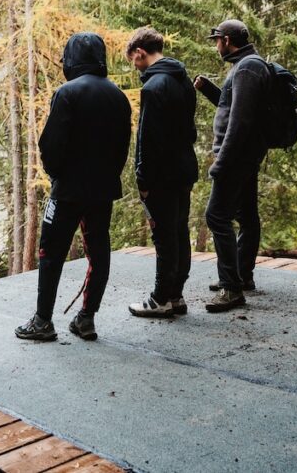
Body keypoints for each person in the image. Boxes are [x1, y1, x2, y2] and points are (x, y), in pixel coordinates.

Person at [15, 33, 132, 342]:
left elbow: (51, 145)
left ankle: (42, 321)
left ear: (71, 59)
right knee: (98, 251)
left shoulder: (67, 92)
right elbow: (122, 147)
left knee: (50, 252)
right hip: (103, 190)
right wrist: (108, 176)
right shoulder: (118, 97)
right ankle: (86, 319)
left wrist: (57, 176)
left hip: (67, 190)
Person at [194, 19, 270, 312]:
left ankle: (231, 287)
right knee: (247, 216)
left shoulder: (248, 68)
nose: (216, 46)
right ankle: (241, 277)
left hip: (236, 158)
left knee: (216, 217)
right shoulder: (247, 66)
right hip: (245, 156)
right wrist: (211, 90)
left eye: (217, 41)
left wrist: (220, 164)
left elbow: (240, 122)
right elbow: (233, 107)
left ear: (226, 40)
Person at [125, 27, 198, 318]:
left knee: (163, 237)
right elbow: (188, 130)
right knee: (179, 231)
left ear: (140, 53)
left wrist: (143, 179)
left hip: (162, 176)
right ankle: (176, 295)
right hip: (183, 169)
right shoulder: (183, 81)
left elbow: (149, 139)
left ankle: (160, 299)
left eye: (134, 60)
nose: (135, 66)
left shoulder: (153, 88)